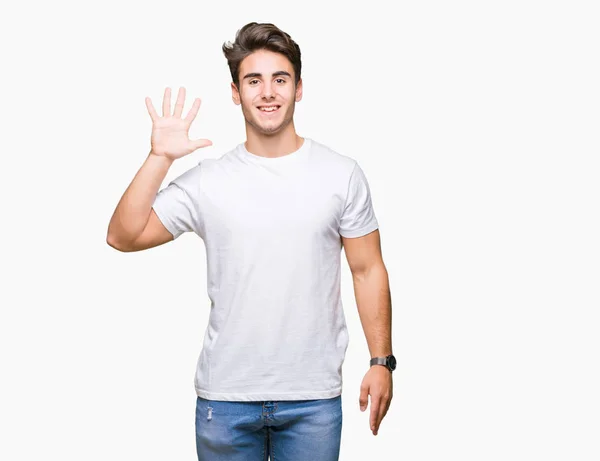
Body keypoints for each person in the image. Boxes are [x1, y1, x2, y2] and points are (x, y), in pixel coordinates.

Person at [106, 21, 394, 461]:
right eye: (253, 80)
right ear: (236, 92)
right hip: (225, 398)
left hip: (312, 399)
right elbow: (122, 236)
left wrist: (381, 361)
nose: (267, 92)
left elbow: (367, 268)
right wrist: (159, 157)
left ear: (298, 88)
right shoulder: (209, 181)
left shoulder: (341, 173)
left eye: (280, 79)